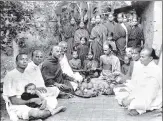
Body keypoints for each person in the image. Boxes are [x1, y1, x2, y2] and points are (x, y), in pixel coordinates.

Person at [3, 53, 65, 121]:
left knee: (51, 101)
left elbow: (32, 90)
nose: (24, 61)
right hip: (17, 105)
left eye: (26, 60)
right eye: (22, 59)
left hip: (29, 101)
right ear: (16, 62)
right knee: (38, 114)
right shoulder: (10, 76)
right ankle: (53, 111)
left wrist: (41, 99)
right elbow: (14, 101)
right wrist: (32, 100)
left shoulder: (26, 74)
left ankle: (37, 115)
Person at [115, 48, 162, 115]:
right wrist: (131, 95)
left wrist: (132, 98)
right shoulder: (143, 67)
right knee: (121, 94)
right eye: (140, 56)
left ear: (151, 58)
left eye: (143, 57)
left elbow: (151, 93)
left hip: (150, 96)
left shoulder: (156, 70)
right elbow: (137, 84)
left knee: (133, 107)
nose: (140, 59)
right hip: (141, 93)